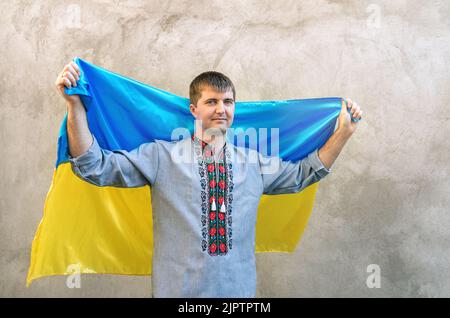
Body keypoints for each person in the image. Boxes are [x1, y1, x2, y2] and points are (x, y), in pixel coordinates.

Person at [55, 60, 363, 297]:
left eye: (228, 102)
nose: (221, 109)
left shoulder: (253, 162)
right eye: (212, 102)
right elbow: (94, 165)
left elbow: (304, 173)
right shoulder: (162, 156)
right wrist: (75, 105)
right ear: (194, 109)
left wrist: (344, 132)